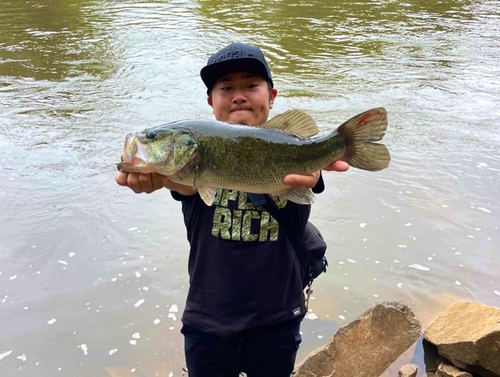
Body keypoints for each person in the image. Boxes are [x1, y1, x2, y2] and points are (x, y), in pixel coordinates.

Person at [116, 43, 349, 377]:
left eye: (251, 85)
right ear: (211, 102)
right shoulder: (189, 173)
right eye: (226, 88)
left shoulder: (296, 155)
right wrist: (156, 177)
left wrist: (316, 168)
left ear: (272, 97)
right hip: (207, 323)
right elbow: (183, 184)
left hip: (278, 320)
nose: (239, 95)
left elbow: (307, 180)